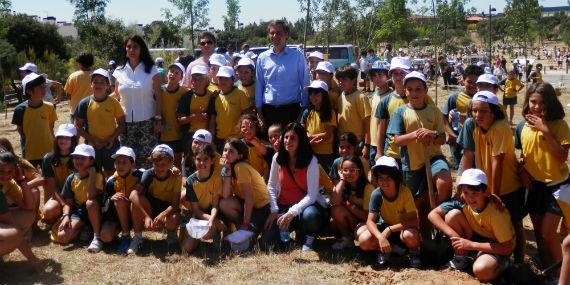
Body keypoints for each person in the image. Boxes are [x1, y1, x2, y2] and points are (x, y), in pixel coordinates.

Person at [386, 71, 452, 238]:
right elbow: (397, 140)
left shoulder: (434, 111)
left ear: (425, 91)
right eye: (410, 89)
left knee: (444, 183)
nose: (414, 93)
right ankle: (422, 236)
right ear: (405, 91)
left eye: (418, 89)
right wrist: (416, 135)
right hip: (412, 162)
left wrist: (433, 135)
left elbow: (443, 139)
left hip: (433, 157)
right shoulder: (400, 112)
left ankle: (439, 213)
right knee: (418, 203)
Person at [514, 82, 570, 274]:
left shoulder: (559, 125)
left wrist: (545, 130)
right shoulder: (522, 126)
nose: (537, 107)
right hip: (535, 186)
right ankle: (549, 270)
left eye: (542, 103)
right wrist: (522, 171)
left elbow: (562, 156)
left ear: (551, 103)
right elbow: (524, 156)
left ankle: (563, 271)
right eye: (533, 102)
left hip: (560, 186)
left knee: (549, 233)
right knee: (539, 232)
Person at [428, 169, 515, 282]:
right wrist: (454, 235)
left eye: (474, 193)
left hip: (496, 247)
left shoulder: (496, 211)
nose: (470, 197)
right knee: (452, 215)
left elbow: (507, 248)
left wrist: (471, 244)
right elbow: (432, 215)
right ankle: (461, 258)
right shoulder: (462, 199)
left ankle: (505, 266)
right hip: (475, 239)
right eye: (466, 192)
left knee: (482, 271)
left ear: (485, 191)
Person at [470, 91, 526, 263]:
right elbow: (480, 161)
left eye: (483, 111)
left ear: (493, 112)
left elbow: (497, 162)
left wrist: (494, 193)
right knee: (499, 225)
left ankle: (519, 262)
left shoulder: (500, 128)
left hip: (508, 187)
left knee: (515, 224)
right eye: (475, 111)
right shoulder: (477, 130)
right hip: (491, 188)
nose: (478, 115)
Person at [265, 123, 328, 251]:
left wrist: (292, 212)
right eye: (286, 137)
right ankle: (295, 233)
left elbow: (312, 195)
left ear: (301, 140)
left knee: (311, 215)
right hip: (283, 205)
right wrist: (274, 210)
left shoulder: (311, 161)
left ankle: (309, 236)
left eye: (293, 138)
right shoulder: (277, 157)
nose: (288, 141)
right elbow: (271, 185)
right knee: (267, 243)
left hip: (304, 207)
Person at [356, 156, 421, 267]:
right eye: (380, 178)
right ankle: (386, 250)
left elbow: (414, 221)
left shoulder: (405, 192)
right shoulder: (376, 194)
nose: (384, 182)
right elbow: (370, 221)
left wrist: (390, 229)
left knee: (410, 235)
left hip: (402, 230)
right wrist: (380, 237)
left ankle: (414, 253)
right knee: (363, 240)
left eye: (388, 178)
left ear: (395, 178)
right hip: (386, 228)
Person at [113, 35, 162, 168]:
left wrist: (158, 119)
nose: (131, 49)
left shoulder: (152, 70)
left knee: (148, 159)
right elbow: (116, 95)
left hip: (148, 122)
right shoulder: (119, 71)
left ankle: (145, 187)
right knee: (127, 160)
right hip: (125, 124)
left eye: (135, 47)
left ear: (141, 49)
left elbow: (158, 95)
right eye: (129, 46)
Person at [255, 20, 309, 129]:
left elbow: (305, 84)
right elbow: (259, 86)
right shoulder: (262, 58)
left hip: (291, 111)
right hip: (268, 111)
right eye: (272, 33)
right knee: (270, 145)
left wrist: (303, 111)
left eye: (279, 33)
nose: (275, 36)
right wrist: (259, 112)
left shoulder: (297, 56)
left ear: (286, 35)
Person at [128, 144, 181, 255]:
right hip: (151, 207)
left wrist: (163, 214)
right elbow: (133, 195)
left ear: (170, 163)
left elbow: (176, 204)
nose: (160, 167)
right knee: (136, 201)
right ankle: (137, 237)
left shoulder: (176, 176)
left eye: (163, 164)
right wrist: (146, 216)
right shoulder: (149, 174)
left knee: (174, 217)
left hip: (168, 208)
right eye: (156, 164)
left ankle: (171, 235)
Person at [52, 144, 105, 253]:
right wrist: (66, 216)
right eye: (76, 157)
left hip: (96, 209)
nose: (78, 161)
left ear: (91, 161)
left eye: (83, 158)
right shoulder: (71, 178)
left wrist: (91, 176)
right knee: (62, 237)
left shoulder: (98, 176)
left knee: (90, 203)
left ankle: (96, 237)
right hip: (79, 211)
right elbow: (68, 202)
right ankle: (85, 228)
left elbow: (91, 196)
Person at [75, 68, 125, 178]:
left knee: (111, 174)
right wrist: (92, 140)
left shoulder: (114, 103)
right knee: (94, 174)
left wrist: (111, 139)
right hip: (92, 147)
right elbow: (77, 126)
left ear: (108, 86)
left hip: (111, 146)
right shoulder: (84, 103)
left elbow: (121, 124)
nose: (98, 85)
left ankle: (110, 194)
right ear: (91, 85)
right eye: (95, 82)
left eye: (102, 82)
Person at [219, 139, 270, 246]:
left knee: (243, 245)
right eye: (225, 150)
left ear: (240, 156)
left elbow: (249, 196)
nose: (226, 153)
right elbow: (226, 195)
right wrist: (227, 171)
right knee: (224, 203)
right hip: (247, 203)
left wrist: (246, 223)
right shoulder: (227, 168)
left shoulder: (240, 167)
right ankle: (240, 227)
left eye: (231, 151)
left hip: (262, 206)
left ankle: (247, 226)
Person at [0, 152, 43, 271]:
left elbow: (29, 207)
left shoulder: (9, 183)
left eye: (10, 171)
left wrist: (22, 180)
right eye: (1, 171)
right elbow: (12, 226)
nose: (5, 175)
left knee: (28, 216)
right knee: (13, 234)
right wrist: (32, 258)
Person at [181, 143, 225, 254]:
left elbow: (215, 205)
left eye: (205, 159)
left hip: (213, 212)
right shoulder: (190, 181)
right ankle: (196, 239)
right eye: (198, 159)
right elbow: (196, 210)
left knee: (207, 234)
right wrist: (210, 219)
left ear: (212, 160)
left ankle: (216, 234)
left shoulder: (216, 178)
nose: (201, 163)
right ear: (194, 160)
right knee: (185, 250)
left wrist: (211, 220)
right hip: (199, 214)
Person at [100, 147, 142, 254]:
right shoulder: (111, 181)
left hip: (136, 214)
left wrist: (172, 168)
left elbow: (155, 171)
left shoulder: (140, 176)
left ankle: (137, 237)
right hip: (118, 217)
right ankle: (125, 235)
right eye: (118, 162)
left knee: (133, 198)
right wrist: (110, 199)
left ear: (132, 164)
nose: (120, 166)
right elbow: (103, 207)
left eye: (124, 162)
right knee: (105, 236)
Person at [443, 65, 484, 170]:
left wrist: (467, 118)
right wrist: (451, 135)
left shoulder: (484, 100)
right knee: (462, 171)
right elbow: (444, 118)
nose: (473, 85)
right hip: (458, 144)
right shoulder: (454, 98)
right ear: (463, 80)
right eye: (469, 82)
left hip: (480, 143)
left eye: (477, 83)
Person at [12, 72, 57, 167]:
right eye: (40, 87)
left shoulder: (49, 107)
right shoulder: (20, 109)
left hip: (48, 152)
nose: (43, 89)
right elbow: (21, 131)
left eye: (44, 86)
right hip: (30, 153)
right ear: (28, 91)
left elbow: (51, 129)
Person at [330, 156, 375, 250]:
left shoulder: (368, 188)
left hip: (366, 222)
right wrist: (342, 180)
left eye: (353, 170)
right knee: (335, 211)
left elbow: (367, 217)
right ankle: (347, 239)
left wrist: (348, 205)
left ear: (360, 172)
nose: (348, 173)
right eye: (345, 170)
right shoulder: (342, 185)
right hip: (353, 219)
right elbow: (334, 203)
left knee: (360, 235)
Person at [177, 65, 214, 172]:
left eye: (200, 79)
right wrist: (194, 117)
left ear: (206, 80)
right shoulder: (186, 96)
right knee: (189, 161)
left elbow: (212, 118)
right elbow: (180, 120)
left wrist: (212, 138)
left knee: (204, 161)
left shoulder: (211, 96)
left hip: (206, 135)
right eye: (194, 79)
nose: (197, 82)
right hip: (190, 135)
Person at [208, 66, 252, 151]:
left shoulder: (240, 94)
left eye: (226, 78)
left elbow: (247, 116)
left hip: (238, 139)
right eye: (221, 78)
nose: (223, 81)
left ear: (233, 80)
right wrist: (212, 140)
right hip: (220, 139)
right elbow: (212, 121)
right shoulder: (215, 97)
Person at [41, 124, 78, 224]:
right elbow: (53, 187)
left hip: (78, 197)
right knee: (48, 211)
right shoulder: (48, 158)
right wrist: (63, 204)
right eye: (60, 137)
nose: (63, 140)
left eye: (67, 137)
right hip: (59, 196)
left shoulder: (79, 157)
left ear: (73, 139)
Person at [299, 80, 337, 173]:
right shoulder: (307, 112)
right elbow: (301, 129)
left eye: (316, 94)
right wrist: (308, 140)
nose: (313, 97)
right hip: (310, 151)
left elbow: (327, 134)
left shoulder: (330, 113)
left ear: (324, 96)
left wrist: (311, 137)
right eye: (311, 94)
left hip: (325, 153)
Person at [336, 65, 372, 158]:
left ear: (353, 80)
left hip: (357, 143)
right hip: (343, 142)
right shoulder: (341, 96)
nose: (340, 82)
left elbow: (367, 123)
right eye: (339, 80)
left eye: (344, 79)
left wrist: (366, 145)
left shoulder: (360, 97)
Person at [159, 62, 189, 169]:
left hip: (178, 134)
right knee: (162, 163)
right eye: (171, 71)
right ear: (167, 74)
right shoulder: (159, 91)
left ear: (181, 77)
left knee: (176, 165)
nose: (173, 74)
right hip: (162, 134)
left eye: (177, 73)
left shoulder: (184, 93)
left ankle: (176, 185)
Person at [369, 61, 392, 165]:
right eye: (374, 75)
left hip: (384, 142)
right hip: (373, 140)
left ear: (388, 76)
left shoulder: (391, 96)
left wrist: (380, 150)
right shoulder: (374, 95)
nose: (377, 78)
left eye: (380, 75)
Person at [238, 114, 272, 180]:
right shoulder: (236, 145)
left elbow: (267, 168)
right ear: (240, 130)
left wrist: (260, 184)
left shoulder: (265, 145)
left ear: (256, 128)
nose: (247, 129)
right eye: (243, 127)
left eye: (251, 127)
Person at [64, 53, 94, 119]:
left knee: (76, 129)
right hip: (93, 109)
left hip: (76, 110)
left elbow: (68, 94)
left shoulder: (73, 76)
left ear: (80, 64)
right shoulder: (96, 76)